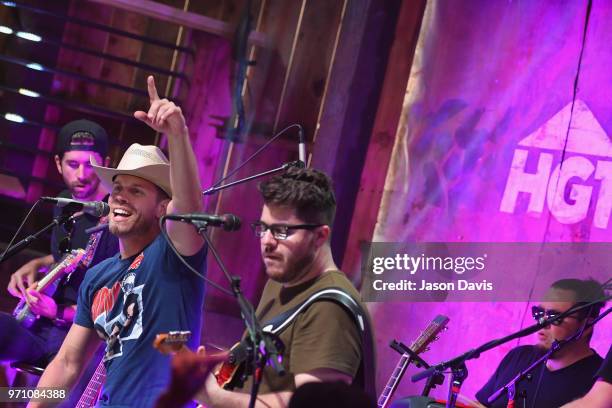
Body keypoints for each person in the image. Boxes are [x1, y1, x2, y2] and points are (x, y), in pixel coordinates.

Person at [30, 75, 207, 408]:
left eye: (136, 191)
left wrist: (178, 134)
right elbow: (68, 363)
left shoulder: (173, 257)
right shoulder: (98, 278)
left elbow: (190, 210)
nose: (120, 198)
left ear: (162, 208)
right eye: (118, 188)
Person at [196, 167, 375, 407]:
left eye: (281, 231)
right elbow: (264, 375)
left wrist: (213, 396)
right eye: (263, 228)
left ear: (320, 236)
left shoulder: (330, 309)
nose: (267, 241)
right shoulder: (279, 282)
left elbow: (306, 407)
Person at [1, 119, 118, 366]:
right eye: (72, 164)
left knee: (52, 396)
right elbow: (70, 257)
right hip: (38, 324)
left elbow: (117, 303)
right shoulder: (64, 202)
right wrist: (41, 263)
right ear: (58, 163)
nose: (82, 175)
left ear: (106, 165)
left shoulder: (115, 220)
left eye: (91, 165)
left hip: (80, 338)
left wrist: (58, 312)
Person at [476, 278, 606, 408]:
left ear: (586, 326)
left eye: (554, 317)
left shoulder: (601, 382)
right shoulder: (518, 356)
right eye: (538, 314)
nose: (541, 323)